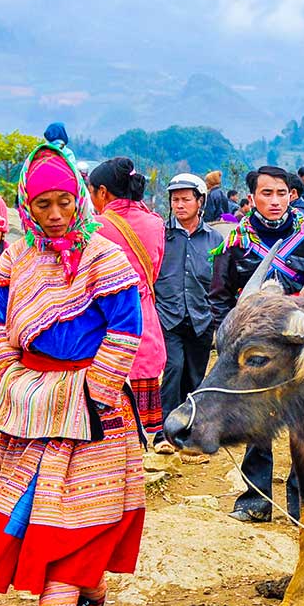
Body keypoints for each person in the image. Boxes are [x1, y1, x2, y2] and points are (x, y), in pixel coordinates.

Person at [0, 133, 145, 606]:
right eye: (44, 204)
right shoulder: (15, 259)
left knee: (72, 515)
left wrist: (96, 391)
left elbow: (125, 330)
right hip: (30, 407)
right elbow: (0, 325)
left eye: (66, 200)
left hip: (92, 409)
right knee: (29, 511)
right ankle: (88, 593)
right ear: (28, 205)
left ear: (80, 198)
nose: (58, 214)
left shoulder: (103, 256)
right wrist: (12, 375)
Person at [210, 165, 304, 523]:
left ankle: (300, 501)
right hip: (252, 353)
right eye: (266, 194)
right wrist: (226, 339)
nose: (275, 201)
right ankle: (255, 498)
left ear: (292, 196)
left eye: (281, 193)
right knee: (254, 422)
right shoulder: (234, 242)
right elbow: (219, 296)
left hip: (299, 347)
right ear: (252, 198)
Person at [89, 157, 166, 441]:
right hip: (144, 322)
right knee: (141, 431)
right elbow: (153, 273)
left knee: (109, 425)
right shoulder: (155, 223)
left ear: (103, 192)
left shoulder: (94, 227)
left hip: (104, 326)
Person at [153, 173, 222, 455]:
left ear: (200, 201)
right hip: (167, 315)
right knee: (173, 369)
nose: (179, 205)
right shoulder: (161, 235)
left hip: (201, 317)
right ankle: (164, 432)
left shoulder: (214, 238)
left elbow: (219, 279)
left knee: (196, 376)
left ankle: (191, 431)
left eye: (185, 199)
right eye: (175, 200)